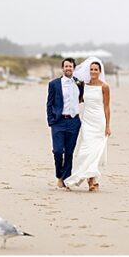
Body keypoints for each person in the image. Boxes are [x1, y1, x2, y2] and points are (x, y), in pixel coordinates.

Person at [65, 57, 112, 192]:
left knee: (95, 150)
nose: (93, 71)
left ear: (100, 71)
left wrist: (108, 125)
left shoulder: (104, 87)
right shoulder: (84, 85)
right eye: (91, 69)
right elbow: (77, 100)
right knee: (85, 149)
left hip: (99, 121)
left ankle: (92, 180)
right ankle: (87, 178)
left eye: (96, 69)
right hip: (86, 121)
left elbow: (107, 107)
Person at [46, 58, 84, 191]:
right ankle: (59, 176)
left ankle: (66, 180)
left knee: (69, 152)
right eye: (66, 66)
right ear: (63, 68)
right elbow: (49, 103)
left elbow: (82, 98)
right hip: (58, 121)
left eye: (71, 66)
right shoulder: (54, 84)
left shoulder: (79, 83)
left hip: (74, 121)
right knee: (57, 151)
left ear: (74, 68)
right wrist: (50, 120)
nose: (68, 68)